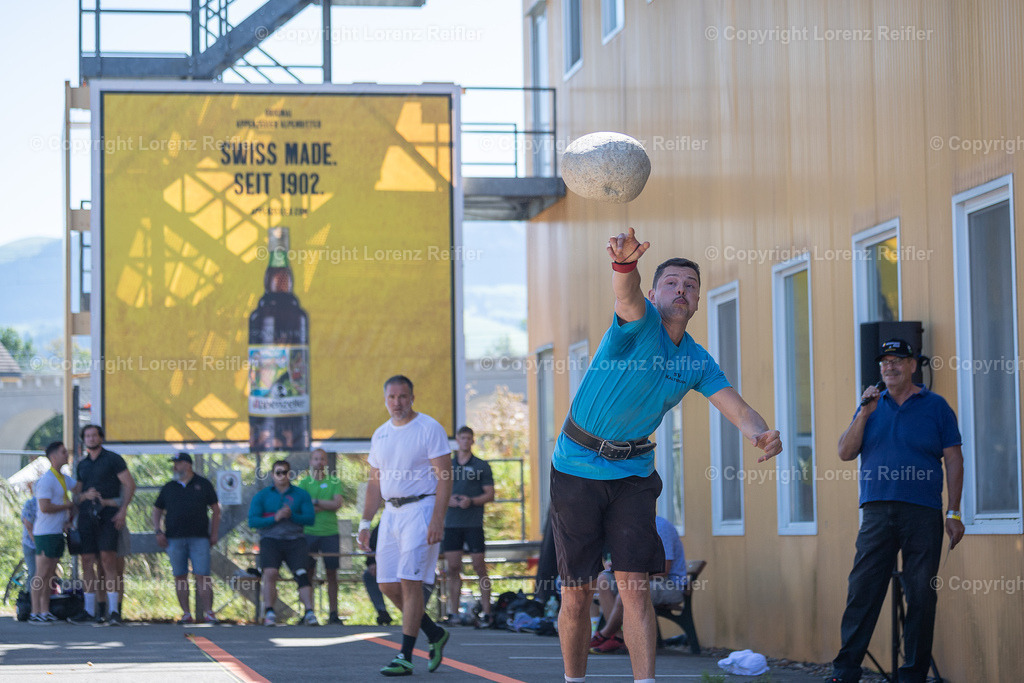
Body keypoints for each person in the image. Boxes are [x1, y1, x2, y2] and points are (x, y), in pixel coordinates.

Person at [553, 228, 782, 683]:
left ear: (697, 302)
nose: (682, 290)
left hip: (634, 473)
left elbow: (737, 408)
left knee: (634, 587)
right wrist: (624, 265)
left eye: (690, 285)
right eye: (672, 283)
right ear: (655, 294)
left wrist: (762, 433)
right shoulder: (638, 324)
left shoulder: (697, 360)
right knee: (576, 593)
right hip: (577, 466)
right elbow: (626, 293)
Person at [828, 339, 964, 683]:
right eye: (885, 362)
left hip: (922, 512)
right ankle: (845, 672)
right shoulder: (870, 406)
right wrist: (864, 412)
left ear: (913, 365)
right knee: (862, 589)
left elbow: (954, 459)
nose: (890, 366)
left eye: (897, 360)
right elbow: (845, 452)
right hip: (877, 512)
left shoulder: (936, 406)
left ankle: (912, 675)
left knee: (920, 594)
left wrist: (954, 513)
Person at [357, 375, 452, 677]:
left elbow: (445, 477)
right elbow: (375, 484)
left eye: (403, 396)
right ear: (385, 399)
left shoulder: (429, 428)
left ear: (412, 398)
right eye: (392, 397)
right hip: (391, 514)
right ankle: (434, 633)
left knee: (410, 582)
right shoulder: (381, 434)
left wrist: (437, 519)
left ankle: (405, 656)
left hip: (421, 509)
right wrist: (364, 522)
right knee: (386, 584)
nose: (397, 402)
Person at [69, 424, 136, 626]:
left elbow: (129, 484)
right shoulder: (82, 464)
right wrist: (83, 497)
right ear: (84, 440)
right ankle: (90, 611)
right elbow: (76, 494)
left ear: (101, 438)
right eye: (87, 436)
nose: (90, 438)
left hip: (108, 516)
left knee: (108, 561)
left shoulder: (113, 459)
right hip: (86, 517)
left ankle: (114, 611)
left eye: (94, 435)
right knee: (87, 561)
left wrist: (122, 510)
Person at [590, 515, 687, 654]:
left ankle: (604, 634)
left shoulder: (661, 526)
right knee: (603, 580)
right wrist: (617, 567)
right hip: (641, 580)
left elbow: (664, 570)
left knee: (630, 591)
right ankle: (618, 637)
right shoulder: (631, 526)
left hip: (669, 584)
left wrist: (630, 575)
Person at [247, 459, 318, 626]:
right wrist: (275, 517)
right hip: (270, 540)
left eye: (285, 472)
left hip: (295, 540)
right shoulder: (262, 495)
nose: (281, 476)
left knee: (301, 573)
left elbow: (310, 519)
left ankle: (309, 612)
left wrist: (292, 515)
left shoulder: (301, 494)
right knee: (270, 573)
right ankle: (269, 612)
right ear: (273, 475)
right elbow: (253, 521)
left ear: (289, 474)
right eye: (278, 472)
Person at [152, 452, 221, 625]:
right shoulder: (169, 487)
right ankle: (186, 614)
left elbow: (216, 509)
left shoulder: (203, 484)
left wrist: (214, 533)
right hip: (174, 538)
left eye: (178, 463)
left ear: (188, 465)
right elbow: (157, 509)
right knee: (180, 576)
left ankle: (209, 613)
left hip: (200, 538)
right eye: (174, 463)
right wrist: (158, 531)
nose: (175, 466)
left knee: (202, 575)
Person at [441, 426, 495, 627]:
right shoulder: (447, 465)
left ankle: (487, 613)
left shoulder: (481, 466)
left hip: (473, 524)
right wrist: (449, 500)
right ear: (457, 440)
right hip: (451, 524)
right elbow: (436, 492)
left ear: (472, 441)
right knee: (453, 568)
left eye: (468, 438)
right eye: (462, 438)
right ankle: (453, 613)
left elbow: (490, 494)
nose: (465, 441)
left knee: (480, 567)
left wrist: (470, 501)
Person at [297, 448, 345, 625]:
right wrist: (325, 505)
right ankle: (308, 612)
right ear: (311, 461)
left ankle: (333, 613)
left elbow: (337, 504)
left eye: (322, 459)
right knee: (307, 573)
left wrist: (315, 502)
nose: (319, 462)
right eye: (316, 459)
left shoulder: (334, 481)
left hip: (330, 533)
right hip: (309, 533)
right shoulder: (303, 483)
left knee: (332, 573)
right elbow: (302, 507)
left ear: (326, 462)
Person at [30, 442, 75, 624]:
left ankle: (44, 610)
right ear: (53, 456)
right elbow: (44, 507)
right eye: (63, 452)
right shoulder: (47, 480)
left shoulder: (63, 478)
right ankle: (34, 612)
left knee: (50, 574)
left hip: (56, 532)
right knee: (41, 574)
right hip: (45, 533)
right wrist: (67, 505)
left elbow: (78, 488)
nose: (67, 455)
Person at [363, 523, 394, 625]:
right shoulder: (384, 523)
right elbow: (371, 546)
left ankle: (417, 613)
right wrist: (373, 562)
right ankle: (382, 611)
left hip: (407, 566)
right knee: (369, 575)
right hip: (386, 565)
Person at [21, 482, 37, 592]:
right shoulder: (31, 503)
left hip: (43, 543)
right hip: (31, 544)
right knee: (34, 573)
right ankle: (29, 598)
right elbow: (28, 525)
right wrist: (36, 543)